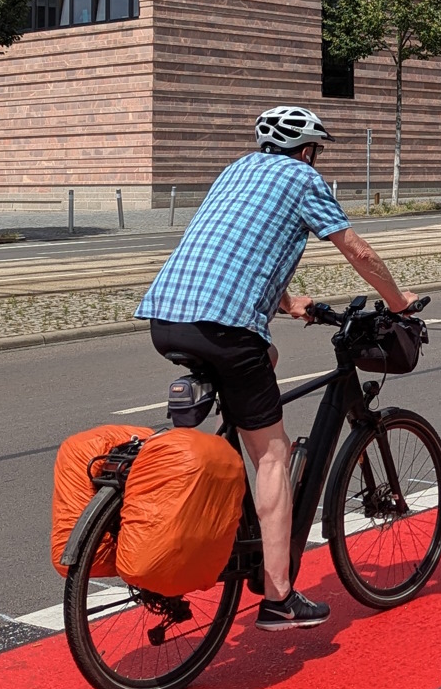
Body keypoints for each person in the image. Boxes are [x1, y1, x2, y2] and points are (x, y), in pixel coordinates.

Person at [135, 106, 418, 631]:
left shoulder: (236, 170)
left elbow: (236, 248)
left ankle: (231, 512)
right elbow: (355, 250)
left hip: (166, 319)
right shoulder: (304, 178)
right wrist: (398, 302)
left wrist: (288, 304)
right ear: (307, 151)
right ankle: (279, 597)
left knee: (265, 359)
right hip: (225, 328)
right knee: (272, 453)